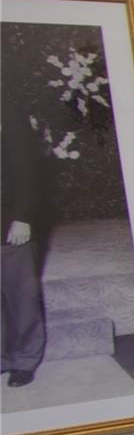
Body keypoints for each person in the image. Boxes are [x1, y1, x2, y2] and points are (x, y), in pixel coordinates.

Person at [1, 106, 51, 387]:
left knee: (21, 297)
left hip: (8, 223)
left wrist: (23, 217)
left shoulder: (8, 113)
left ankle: (24, 360)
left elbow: (27, 171)